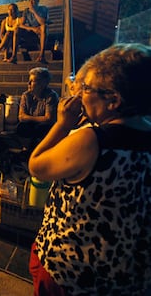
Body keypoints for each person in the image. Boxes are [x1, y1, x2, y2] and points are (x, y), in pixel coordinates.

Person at [28, 43, 151, 295]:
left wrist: (63, 124)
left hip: (72, 270)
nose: (80, 94)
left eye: (87, 88)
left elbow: (36, 166)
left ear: (114, 100)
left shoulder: (92, 141)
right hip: (125, 275)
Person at [17, 67, 58, 149]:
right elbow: (21, 117)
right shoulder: (26, 95)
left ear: (43, 83)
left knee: (43, 129)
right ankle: (26, 149)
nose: (28, 83)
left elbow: (49, 119)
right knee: (22, 127)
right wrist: (40, 119)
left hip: (44, 127)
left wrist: (29, 118)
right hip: (31, 125)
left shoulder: (51, 96)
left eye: (32, 81)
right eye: (29, 80)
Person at [16, 0, 49, 64]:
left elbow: (42, 22)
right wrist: (32, 28)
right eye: (30, 0)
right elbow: (21, 24)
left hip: (41, 30)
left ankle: (42, 55)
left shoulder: (43, 8)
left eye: (33, 0)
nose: (31, 2)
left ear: (38, 1)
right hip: (32, 31)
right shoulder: (26, 11)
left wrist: (34, 11)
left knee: (44, 27)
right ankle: (14, 55)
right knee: (17, 29)